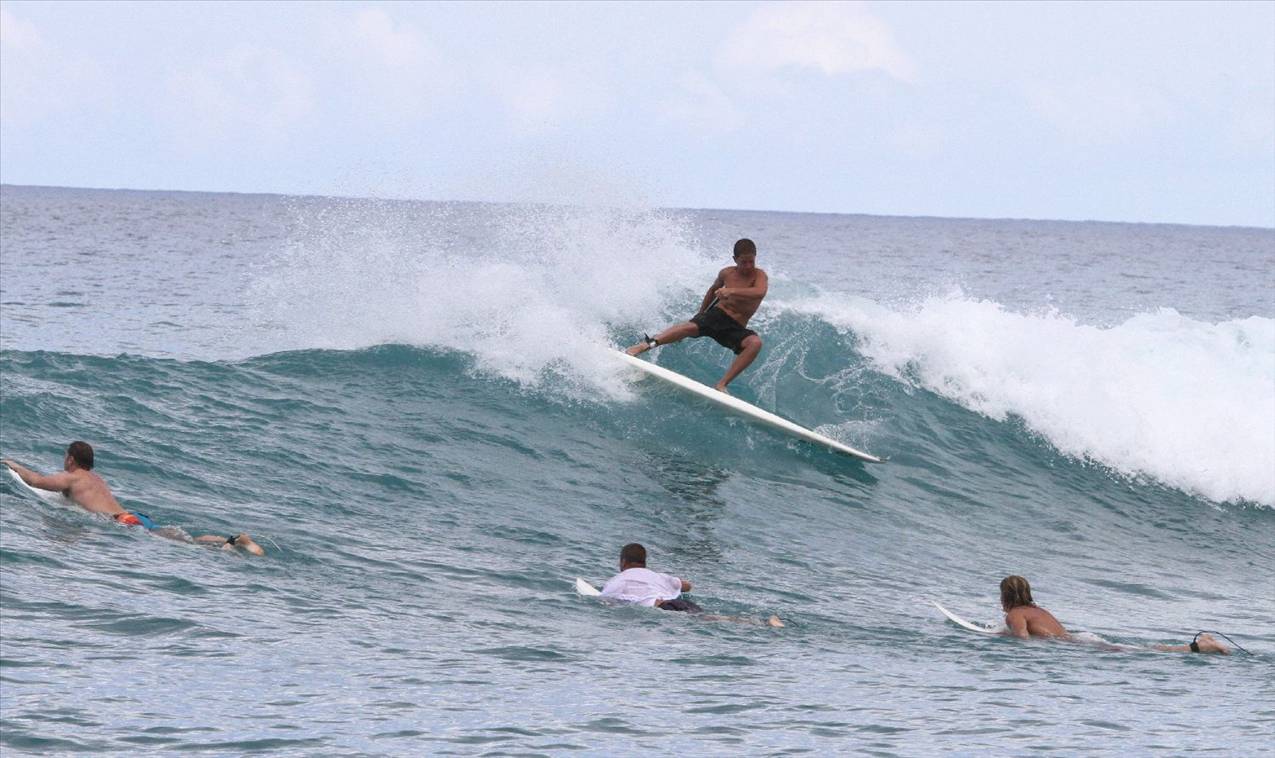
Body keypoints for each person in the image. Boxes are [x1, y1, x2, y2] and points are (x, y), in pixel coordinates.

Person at [4, 441, 265, 556]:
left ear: (71, 459)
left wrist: (13, 465)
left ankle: (226, 548)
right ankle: (231, 540)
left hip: (123, 522)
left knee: (186, 546)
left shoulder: (72, 478)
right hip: (135, 516)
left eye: (65, 457)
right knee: (187, 539)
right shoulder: (96, 479)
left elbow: (36, 481)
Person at [626, 238, 769, 393]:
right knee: (688, 327)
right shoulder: (726, 273)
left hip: (736, 327)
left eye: (751, 261)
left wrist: (731, 291)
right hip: (716, 315)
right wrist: (700, 314)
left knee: (755, 343)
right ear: (735, 259)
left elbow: (759, 292)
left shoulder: (759, 276)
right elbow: (712, 290)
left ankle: (722, 384)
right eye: (743, 262)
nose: (748, 266)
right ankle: (644, 346)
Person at [999, 575, 1227, 654]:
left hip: (1075, 644)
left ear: (1005, 596)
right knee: (1140, 649)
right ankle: (1199, 645)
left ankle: (1200, 646)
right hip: (1080, 639)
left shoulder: (1015, 614)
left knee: (1144, 651)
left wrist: (1003, 636)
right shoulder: (1037, 610)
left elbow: (1023, 641)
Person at [600, 543, 783, 627]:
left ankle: (763, 623)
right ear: (644, 561)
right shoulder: (659, 576)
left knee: (706, 621)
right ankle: (763, 622)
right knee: (709, 617)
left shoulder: (618, 580)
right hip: (681, 602)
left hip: (662, 607)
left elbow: (606, 601)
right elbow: (687, 586)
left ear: (623, 562)